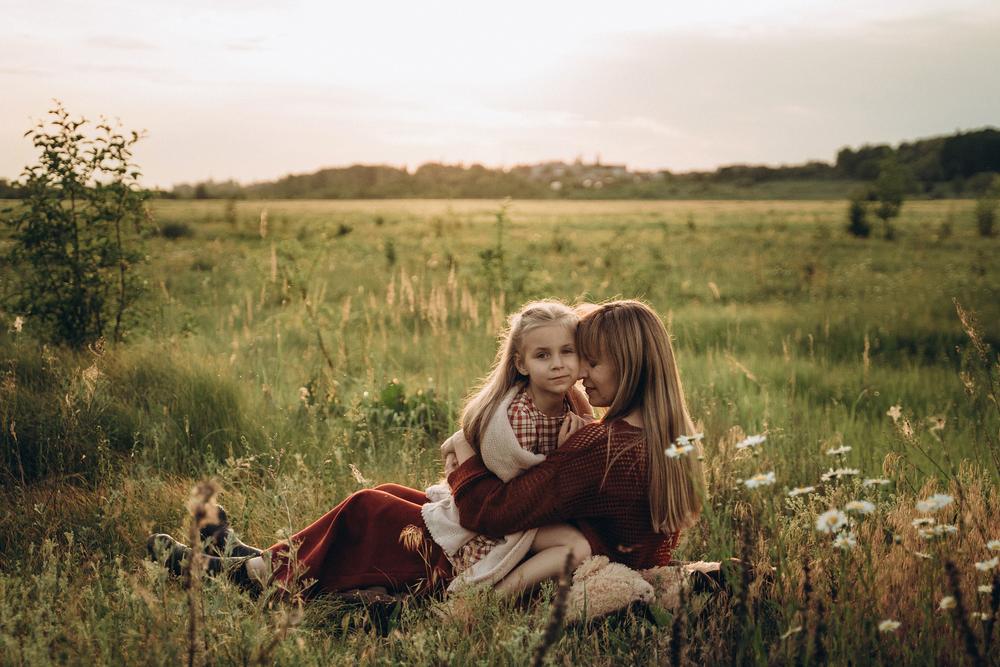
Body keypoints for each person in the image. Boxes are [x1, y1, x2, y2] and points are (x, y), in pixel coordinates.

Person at [148, 299, 704, 597]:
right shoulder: (665, 436)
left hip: (519, 561)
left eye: (592, 361)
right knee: (393, 496)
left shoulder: (605, 448)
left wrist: (464, 464)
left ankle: (240, 575)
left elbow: (492, 509)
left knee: (371, 508)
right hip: (542, 544)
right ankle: (253, 558)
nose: (580, 374)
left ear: (628, 365)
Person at [425, 300, 593, 595]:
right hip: (507, 515)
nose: (557, 363)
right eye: (543, 355)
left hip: (540, 508)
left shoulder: (575, 400)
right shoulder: (518, 416)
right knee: (577, 547)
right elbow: (512, 490)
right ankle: (492, 597)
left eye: (567, 351)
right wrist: (564, 457)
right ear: (521, 364)